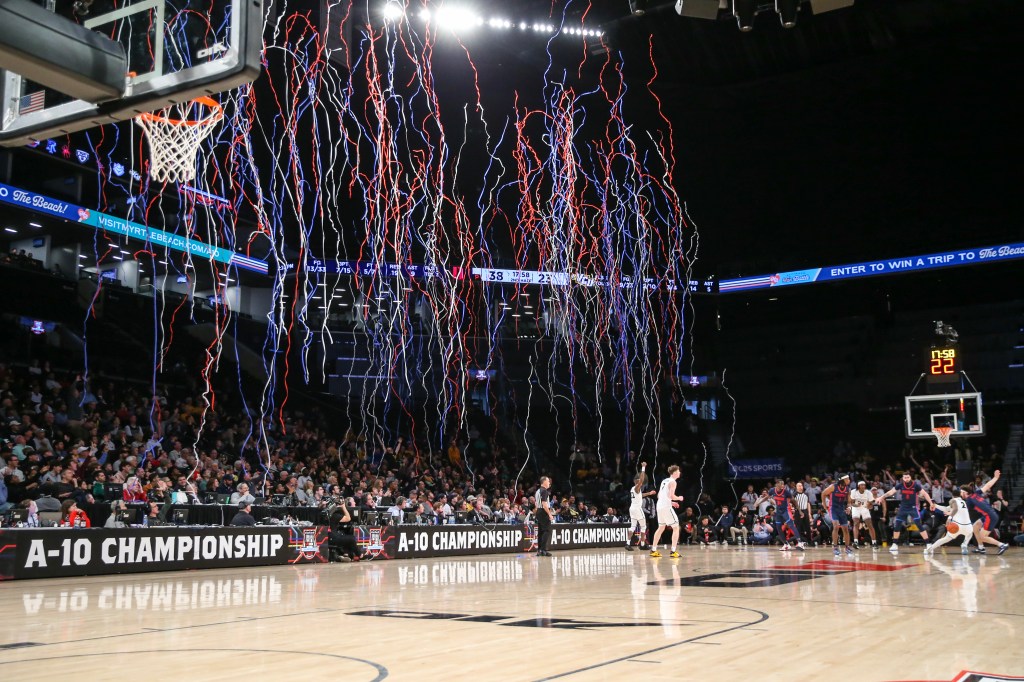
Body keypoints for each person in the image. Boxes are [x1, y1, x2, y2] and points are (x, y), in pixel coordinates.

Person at [876, 471, 934, 554]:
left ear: (910, 478)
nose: (906, 479)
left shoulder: (916, 485)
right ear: (903, 478)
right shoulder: (900, 485)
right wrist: (881, 497)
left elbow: (925, 494)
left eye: (908, 477)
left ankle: (928, 544)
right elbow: (890, 492)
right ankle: (895, 544)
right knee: (897, 525)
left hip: (913, 508)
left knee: (919, 525)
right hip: (903, 508)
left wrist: (931, 503)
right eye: (905, 478)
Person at [963, 470, 1009, 555]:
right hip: (988, 514)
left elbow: (962, 511)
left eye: (961, 492)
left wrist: (950, 514)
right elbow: (987, 485)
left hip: (989, 516)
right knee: (975, 527)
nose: (960, 493)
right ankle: (981, 548)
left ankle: (1002, 545)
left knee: (982, 536)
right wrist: (995, 478)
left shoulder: (969, 500)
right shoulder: (976, 493)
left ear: (965, 492)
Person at [755, 479, 806, 551]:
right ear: (777, 484)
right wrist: (759, 502)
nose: (783, 486)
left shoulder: (786, 492)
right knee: (778, 527)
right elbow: (767, 497)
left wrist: (800, 511)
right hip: (778, 512)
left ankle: (800, 543)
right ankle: (786, 544)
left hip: (785, 510)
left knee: (791, 525)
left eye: (783, 484)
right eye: (781, 484)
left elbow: (794, 501)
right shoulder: (772, 490)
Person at [925, 488, 973, 555]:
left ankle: (929, 549)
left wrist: (949, 518)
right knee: (970, 534)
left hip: (958, 526)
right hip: (968, 527)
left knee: (946, 539)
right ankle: (964, 544)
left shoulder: (952, 500)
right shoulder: (963, 502)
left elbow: (955, 509)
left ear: (952, 495)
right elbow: (946, 509)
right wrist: (935, 505)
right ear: (960, 495)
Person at [650, 465, 683, 558]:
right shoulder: (673, 482)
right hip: (665, 507)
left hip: (659, 506)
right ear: (675, 472)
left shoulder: (664, 480)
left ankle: (653, 550)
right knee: (676, 527)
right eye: (678, 471)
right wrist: (679, 498)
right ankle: (673, 551)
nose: (680, 472)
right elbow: (672, 496)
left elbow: (660, 496)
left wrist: (672, 503)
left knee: (661, 528)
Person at [821, 474, 853, 556]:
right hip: (833, 509)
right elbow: (823, 493)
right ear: (842, 480)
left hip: (841, 509)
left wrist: (849, 508)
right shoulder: (833, 486)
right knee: (835, 526)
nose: (849, 480)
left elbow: (849, 502)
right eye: (847, 479)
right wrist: (824, 505)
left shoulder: (847, 489)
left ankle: (847, 547)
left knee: (846, 529)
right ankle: (835, 547)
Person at [625, 463, 654, 551]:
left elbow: (640, 495)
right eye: (638, 480)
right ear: (636, 482)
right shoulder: (637, 487)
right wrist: (643, 468)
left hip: (632, 509)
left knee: (633, 526)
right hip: (637, 509)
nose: (640, 481)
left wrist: (649, 493)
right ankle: (642, 544)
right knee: (643, 527)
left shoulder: (633, 489)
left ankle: (627, 543)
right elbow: (641, 480)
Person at [849, 480, 878, 548]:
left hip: (865, 508)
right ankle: (856, 542)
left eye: (864, 485)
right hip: (856, 508)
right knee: (856, 523)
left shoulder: (868, 492)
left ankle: (874, 542)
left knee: (869, 524)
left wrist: (869, 506)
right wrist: (857, 505)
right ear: (858, 486)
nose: (863, 486)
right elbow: (851, 503)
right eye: (862, 485)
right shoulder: (853, 492)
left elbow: (871, 503)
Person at [534, 476, 554, 556]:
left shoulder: (538, 491)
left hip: (538, 511)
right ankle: (543, 549)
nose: (549, 483)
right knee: (547, 530)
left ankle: (539, 550)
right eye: (548, 481)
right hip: (543, 511)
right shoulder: (544, 491)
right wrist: (549, 514)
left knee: (541, 531)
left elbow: (536, 503)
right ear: (544, 482)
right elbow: (544, 504)